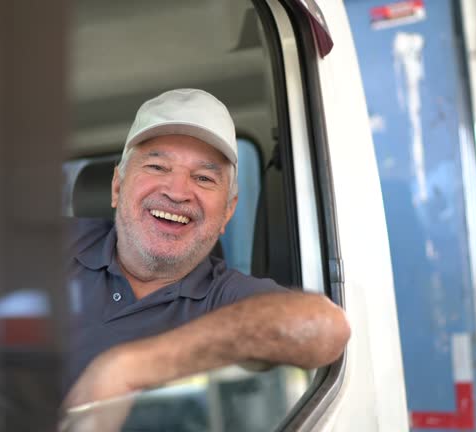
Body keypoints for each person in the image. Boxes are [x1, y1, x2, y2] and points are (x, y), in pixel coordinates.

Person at [62, 88, 350, 408]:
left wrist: (125, 368)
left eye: (203, 178)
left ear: (228, 212)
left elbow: (325, 327)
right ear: (117, 187)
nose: (177, 192)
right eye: (157, 167)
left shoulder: (225, 297)